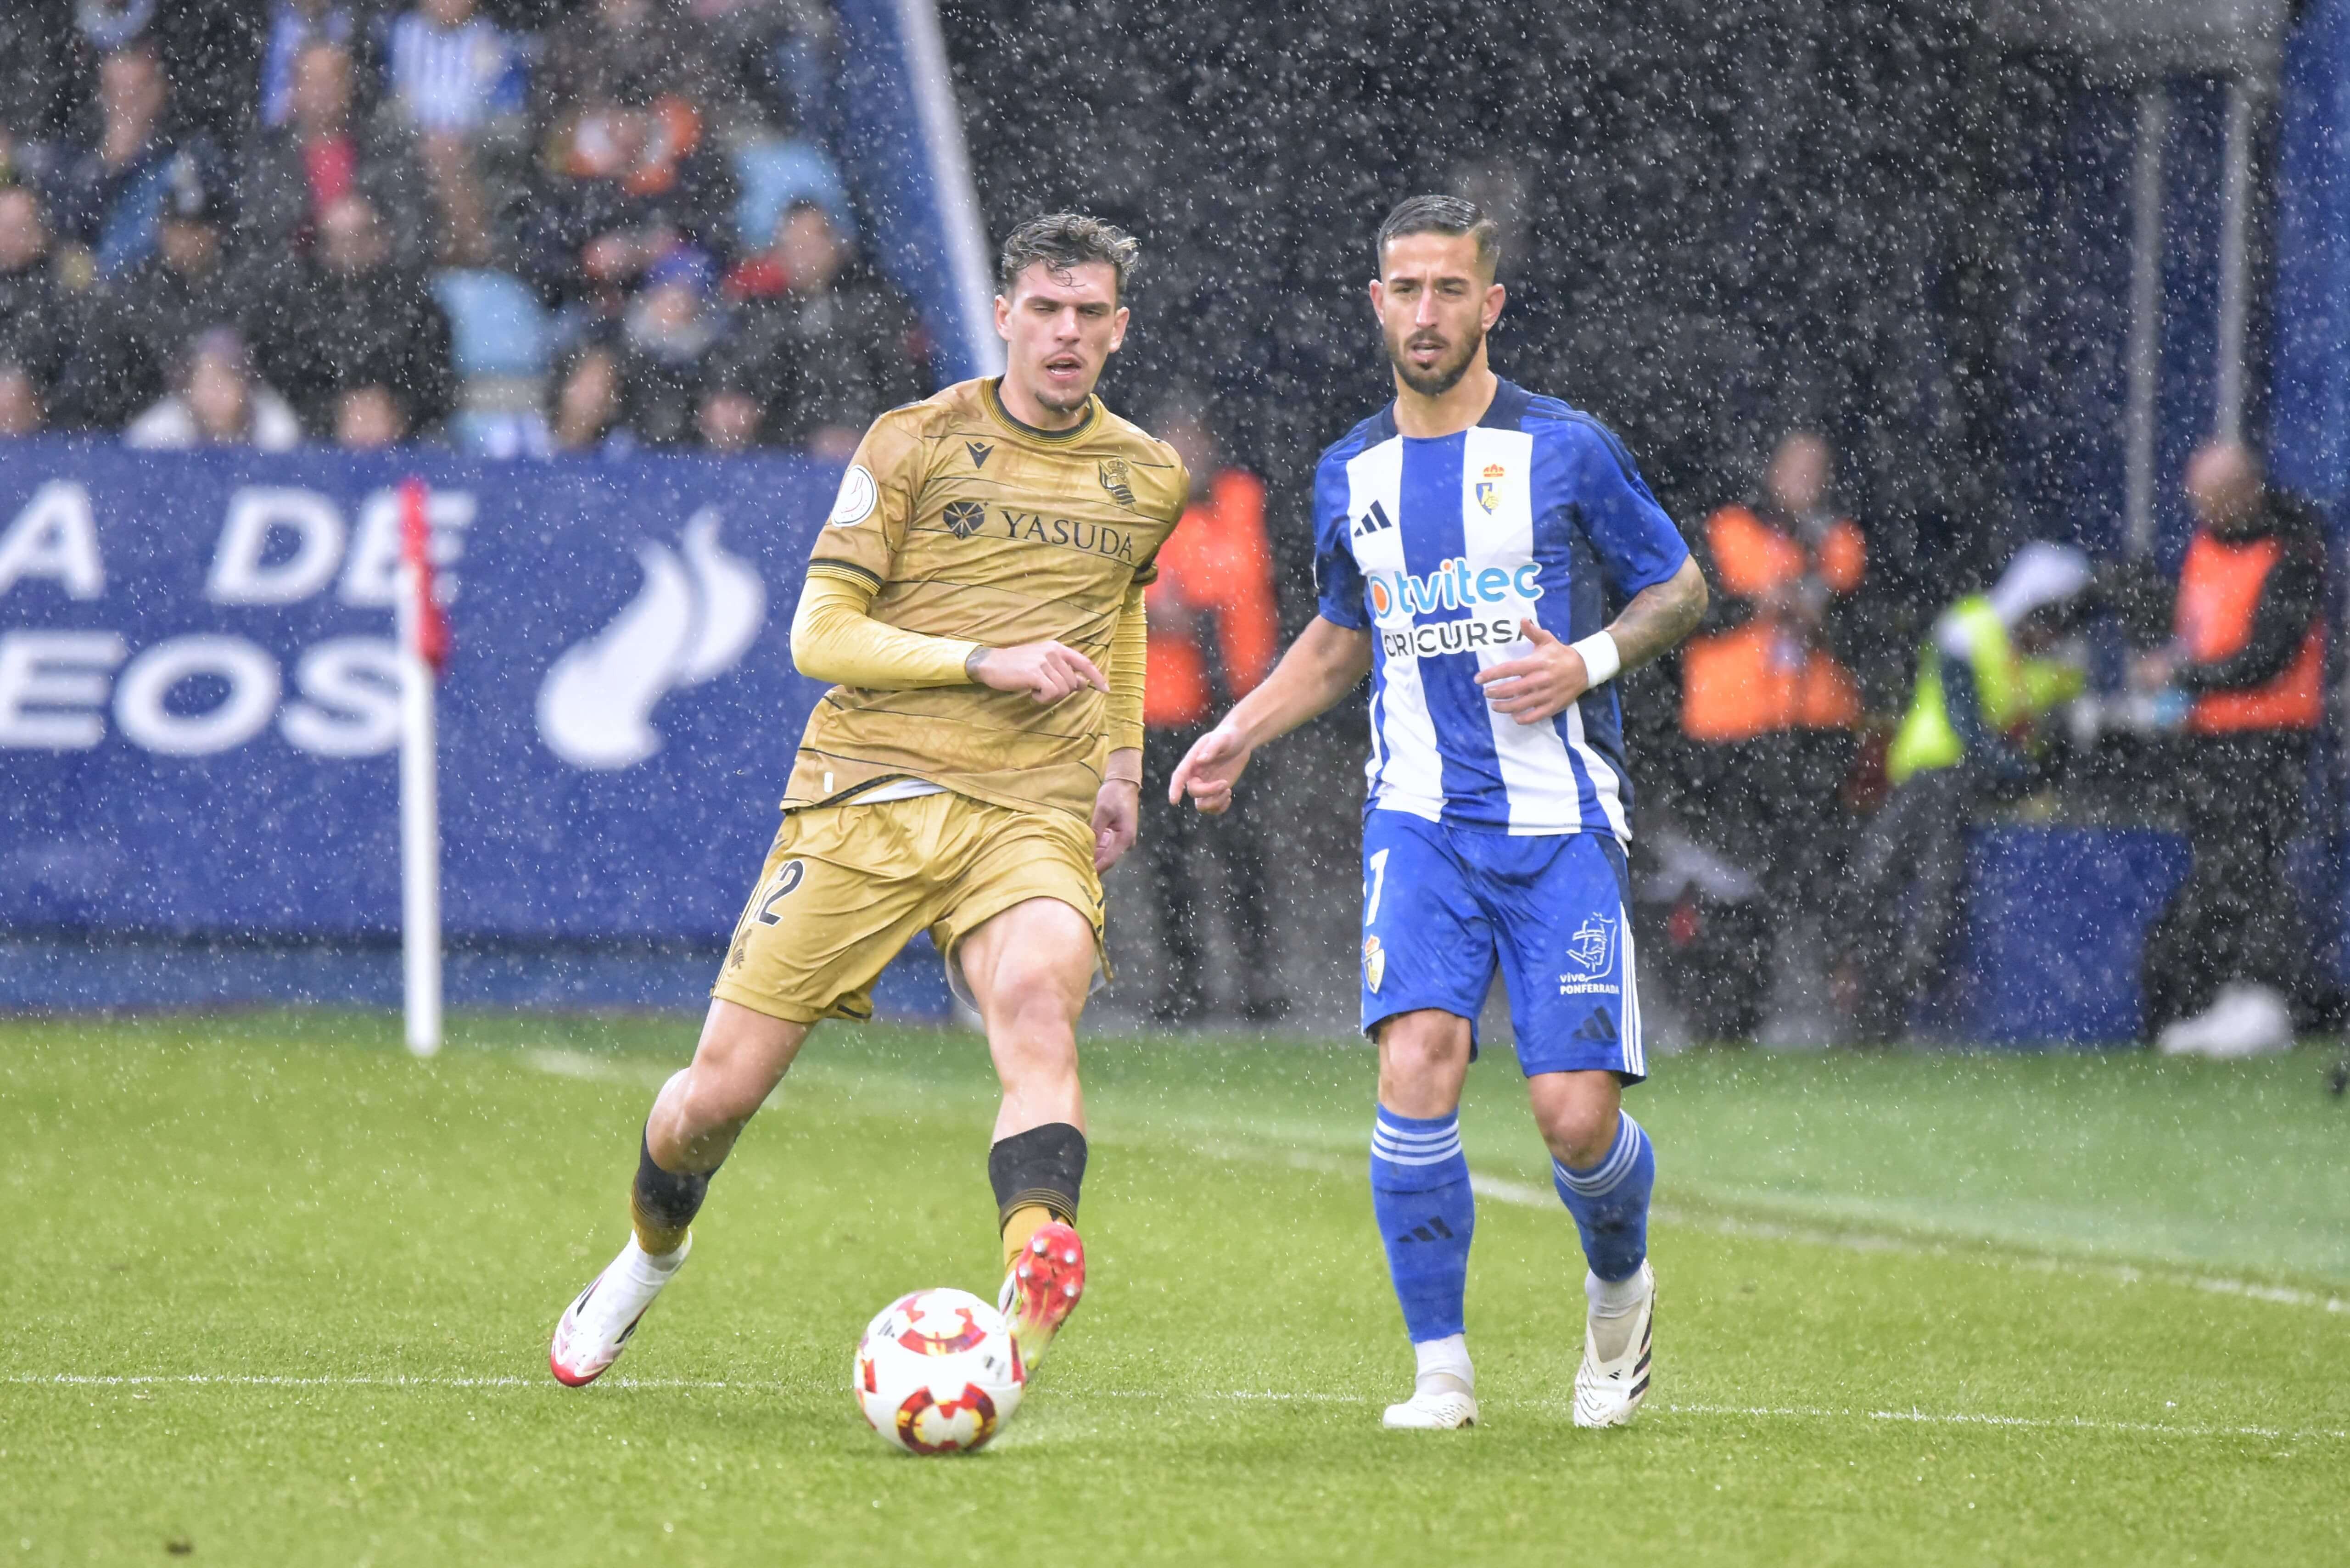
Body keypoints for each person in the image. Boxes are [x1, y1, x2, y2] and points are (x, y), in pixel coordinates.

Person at [549, 213, 1187, 1394]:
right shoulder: (916, 440)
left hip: (1026, 806)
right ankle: (650, 1254)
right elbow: (817, 635)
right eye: (1043, 309)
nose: (1064, 333)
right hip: (869, 792)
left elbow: (1123, 602)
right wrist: (981, 661)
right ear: (1004, 315)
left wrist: (1117, 765)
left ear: (1118, 329)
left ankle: (1031, 1271)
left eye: (1088, 313)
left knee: (1038, 1002)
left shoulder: (1147, 474)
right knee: (714, 1099)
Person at [1169, 196, 1708, 1430]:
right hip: (1416, 817)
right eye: (1405, 289)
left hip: (1560, 816)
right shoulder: (1348, 472)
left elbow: (1680, 589)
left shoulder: (1567, 451)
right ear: (1377, 305)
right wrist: (1240, 729)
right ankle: (1441, 1373)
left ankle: (1621, 1290)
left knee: (1575, 1119)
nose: (1426, 311)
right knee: (1420, 1061)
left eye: (1449, 289)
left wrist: (1587, 663)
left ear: (1490, 304)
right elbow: (1342, 637)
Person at [1840, 543, 2092, 1044]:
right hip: (1931, 774)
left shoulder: (2059, 659)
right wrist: (2025, 770)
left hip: (1984, 787)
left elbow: (2062, 740)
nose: (2051, 633)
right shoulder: (1968, 630)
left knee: (1912, 880)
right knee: (1881, 877)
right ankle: (1889, 989)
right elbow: (1969, 733)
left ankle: (1917, 978)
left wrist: (2032, 770)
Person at [2132, 441, 2331, 1056]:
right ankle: (2227, 999)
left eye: (2213, 501)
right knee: (2225, 869)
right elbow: (2198, 630)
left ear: (2247, 491)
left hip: (2268, 740)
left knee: (2248, 868)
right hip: (2212, 740)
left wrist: (2185, 677)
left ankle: (2268, 998)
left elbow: (2270, 654)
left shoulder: (2292, 553)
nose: (2202, 513)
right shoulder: (2206, 547)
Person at [1675, 430, 1868, 1039]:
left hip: (1816, 735)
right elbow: (1680, 612)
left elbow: (1873, 630)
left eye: (1819, 470)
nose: (1806, 481)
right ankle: (1727, 1012)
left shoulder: (1841, 543)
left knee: (1820, 875)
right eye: (1796, 467)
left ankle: (1839, 1018)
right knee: (1732, 878)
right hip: (1731, 737)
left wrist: (1823, 617)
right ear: (1771, 470)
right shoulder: (1724, 532)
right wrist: (1758, 605)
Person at [1136, 394, 1287, 1025]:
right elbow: (1113, 586)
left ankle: (1256, 981)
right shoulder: (1140, 508)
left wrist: (1188, 600)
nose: (1184, 457)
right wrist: (1152, 607)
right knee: (1169, 857)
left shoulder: (1239, 502)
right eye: (1171, 444)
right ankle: (1183, 983)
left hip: (1235, 710)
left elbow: (1243, 577)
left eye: (1191, 443)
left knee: (1242, 851)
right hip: (1162, 711)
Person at [726, 200, 929, 462]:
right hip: (786, 464)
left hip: (872, 459)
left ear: (836, 243)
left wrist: (861, 433)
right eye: (792, 245)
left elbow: (905, 387)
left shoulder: (877, 306)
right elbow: (746, 380)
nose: (803, 255)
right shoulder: (764, 315)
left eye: (812, 242)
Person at [238, 39, 431, 273]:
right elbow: (260, 235)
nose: (322, 92)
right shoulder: (268, 154)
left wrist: (371, 234)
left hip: (377, 288)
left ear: (350, 86)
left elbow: (413, 230)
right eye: (312, 81)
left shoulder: (386, 150)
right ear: (295, 90)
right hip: (296, 294)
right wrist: (321, 235)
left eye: (332, 80)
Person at [124, 326, 303, 450]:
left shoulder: (274, 427)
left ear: (245, 386)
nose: (215, 395)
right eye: (206, 384)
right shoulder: (160, 432)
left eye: (226, 382)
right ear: (188, 388)